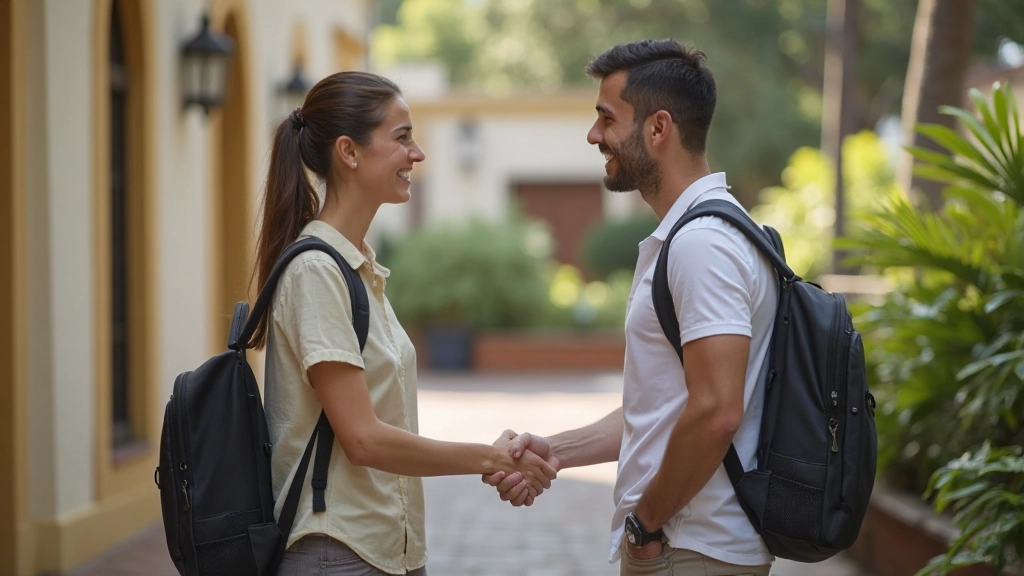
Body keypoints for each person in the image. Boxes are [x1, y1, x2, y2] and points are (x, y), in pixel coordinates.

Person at [486, 40, 779, 576]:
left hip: (693, 549)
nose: (594, 135)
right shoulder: (694, 236)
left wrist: (645, 526)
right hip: (685, 547)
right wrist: (558, 451)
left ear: (658, 128)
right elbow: (664, 409)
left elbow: (716, 411)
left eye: (606, 117)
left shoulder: (703, 245)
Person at [252, 71, 557, 576]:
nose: (417, 153)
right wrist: (493, 458)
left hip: (383, 549)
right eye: (402, 138)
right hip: (338, 551)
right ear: (349, 152)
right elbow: (364, 439)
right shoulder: (316, 272)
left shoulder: (357, 270)